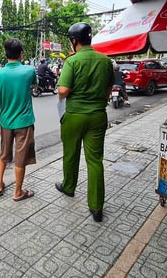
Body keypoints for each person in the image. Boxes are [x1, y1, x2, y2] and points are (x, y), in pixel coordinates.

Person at [56, 22, 114, 222]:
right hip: (98, 115)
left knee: (71, 154)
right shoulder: (105, 61)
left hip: (75, 116)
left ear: (73, 41)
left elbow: (62, 91)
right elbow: (108, 91)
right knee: (95, 160)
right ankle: (97, 207)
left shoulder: (72, 61)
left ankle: (69, 187)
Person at [0, 39, 37, 201]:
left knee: (3, 154)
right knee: (20, 158)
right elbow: (34, 86)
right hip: (24, 122)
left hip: (6, 122)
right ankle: (18, 192)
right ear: (21, 53)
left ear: (6, 54)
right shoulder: (29, 71)